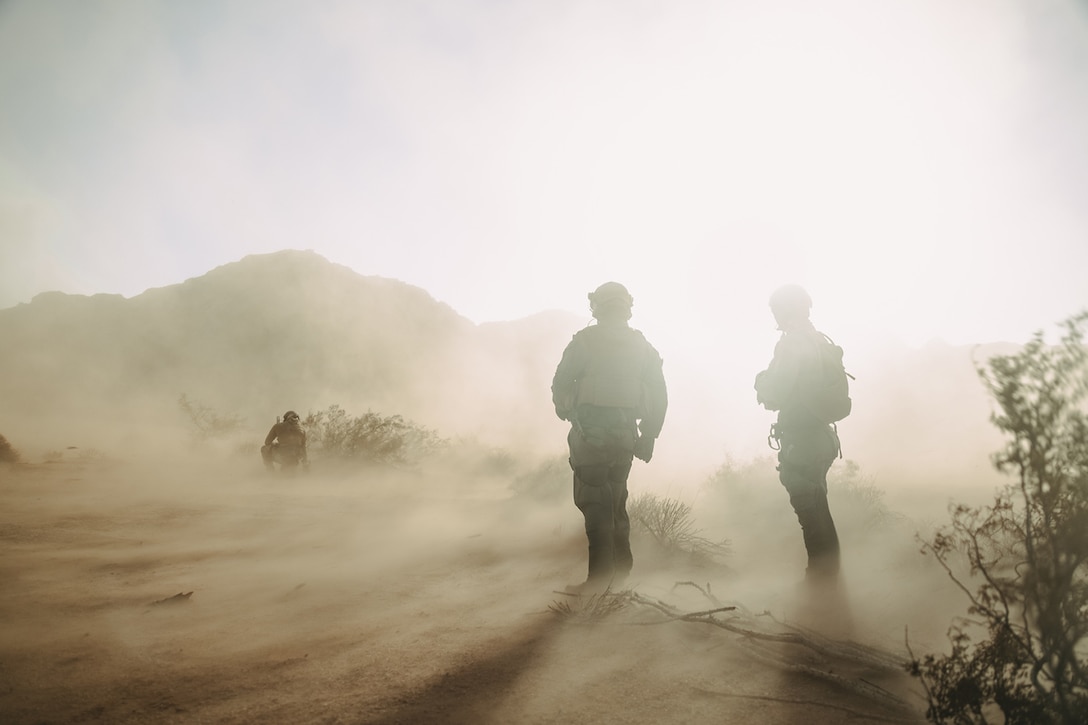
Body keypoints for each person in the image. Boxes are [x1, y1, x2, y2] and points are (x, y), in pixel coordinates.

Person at [551, 282, 668, 594]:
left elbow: (560, 381)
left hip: (592, 436)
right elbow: (660, 393)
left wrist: (564, 408)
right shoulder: (642, 345)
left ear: (597, 307)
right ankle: (621, 574)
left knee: (595, 502)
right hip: (626, 436)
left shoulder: (585, 341)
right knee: (616, 499)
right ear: (627, 307)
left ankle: (599, 583)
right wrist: (650, 436)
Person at [754, 284, 842, 581]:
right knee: (819, 514)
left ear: (783, 311)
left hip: (802, 443)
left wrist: (760, 383)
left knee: (813, 520)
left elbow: (776, 392)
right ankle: (830, 589)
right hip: (821, 439)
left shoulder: (792, 343)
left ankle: (822, 591)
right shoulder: (819, 340)